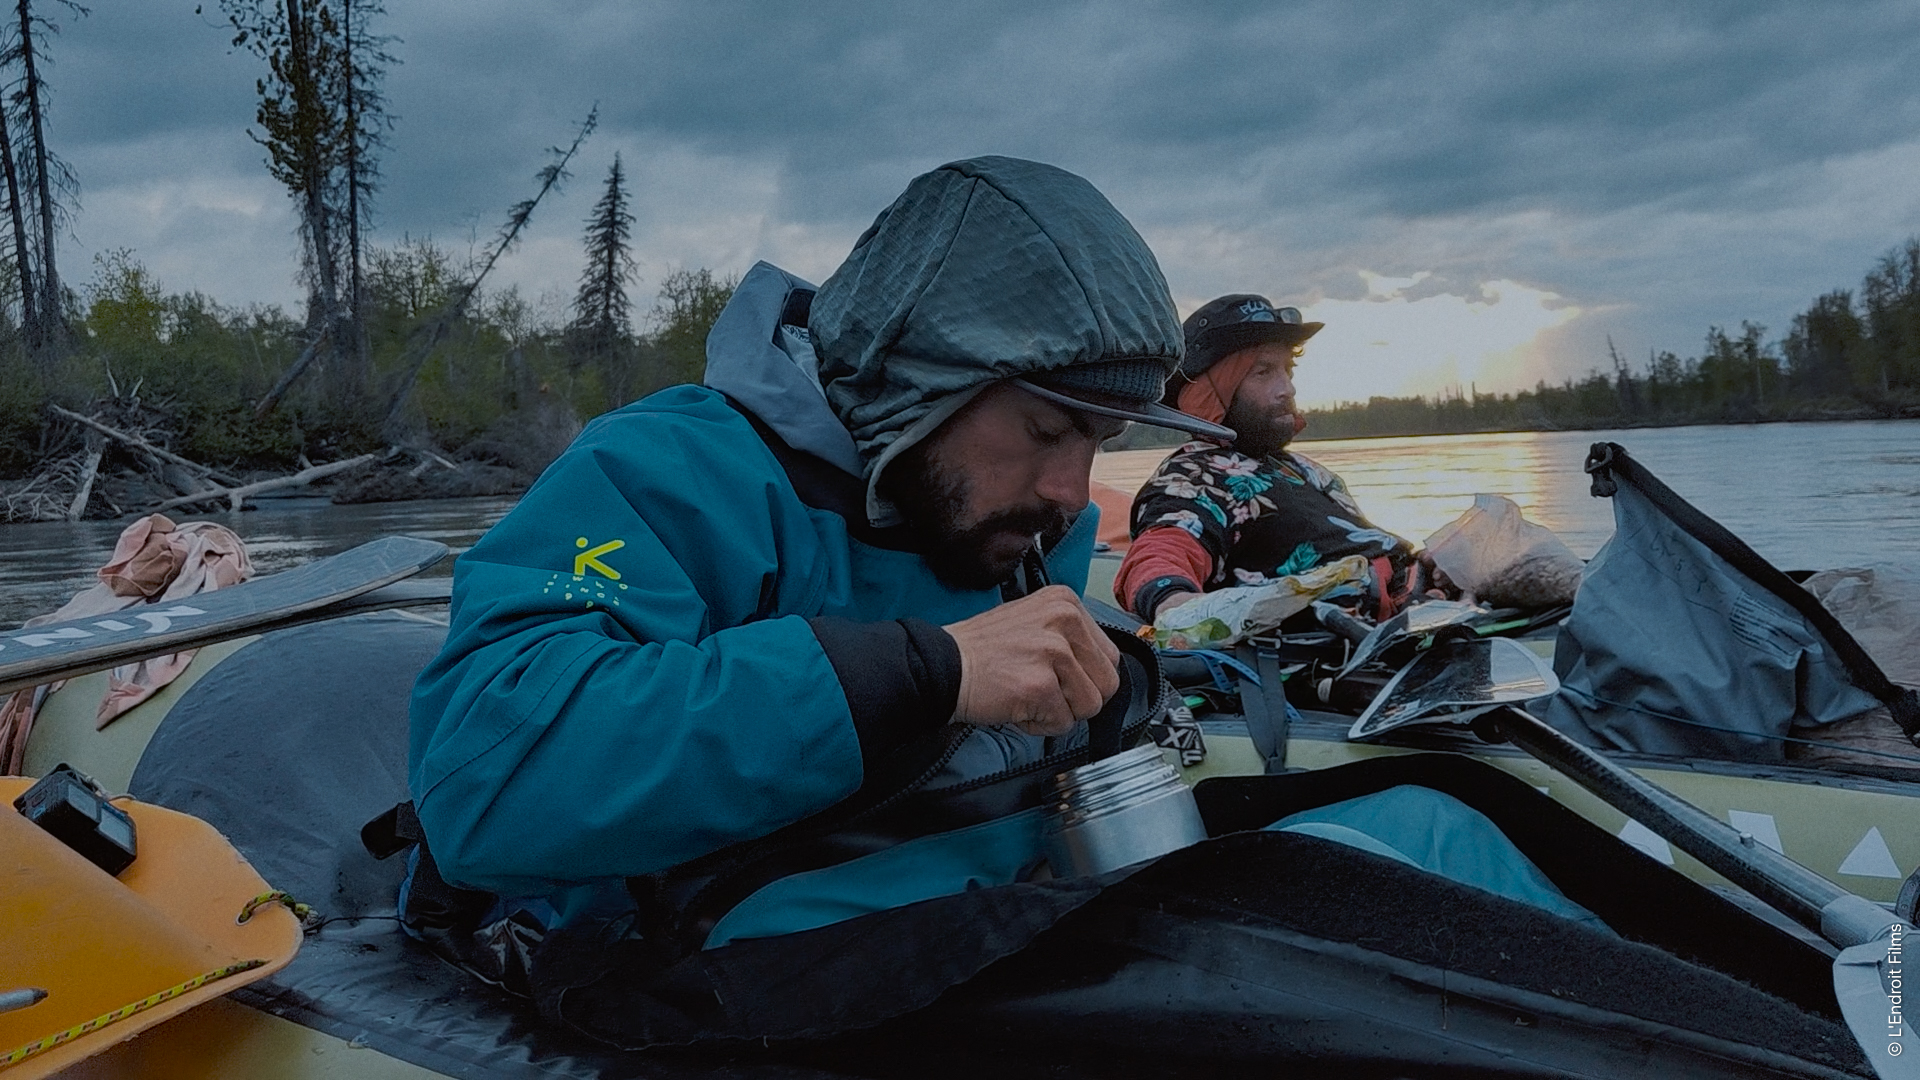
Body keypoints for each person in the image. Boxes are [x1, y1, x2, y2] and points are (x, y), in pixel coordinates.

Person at [406, 156, 1232, 940]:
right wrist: (923, 674)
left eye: (1100, 438)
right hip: (672, 983)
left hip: (956, 953)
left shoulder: (1027, 522)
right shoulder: (660, 475)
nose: (1074, 491)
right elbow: (485, 787)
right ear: (915, 380)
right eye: (1046, 428)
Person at [1113, 293, 1425, 623]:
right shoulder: (1193, 477)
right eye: (1264, 372)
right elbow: (1160, 556)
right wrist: (1171, 602)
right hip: (1354, 651)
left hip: (1433, 609)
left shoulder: (1307, 470)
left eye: (1287, 369)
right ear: (1212, 391)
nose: (1287, 388)